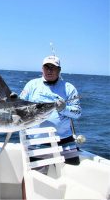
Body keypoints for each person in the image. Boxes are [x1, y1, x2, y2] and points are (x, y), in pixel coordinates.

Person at [20, 55, 82, 199]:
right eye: (46, 67)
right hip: (37, 141)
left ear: (59, 70)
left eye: (53, 67)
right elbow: (20, 106)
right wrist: (13, 99)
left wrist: (64, 108)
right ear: (42, 69)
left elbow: (78, 113)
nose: (49, 70)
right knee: (32, 177)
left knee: (73, 176)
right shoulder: (32, 85)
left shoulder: (69, 88)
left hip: (65, 140)